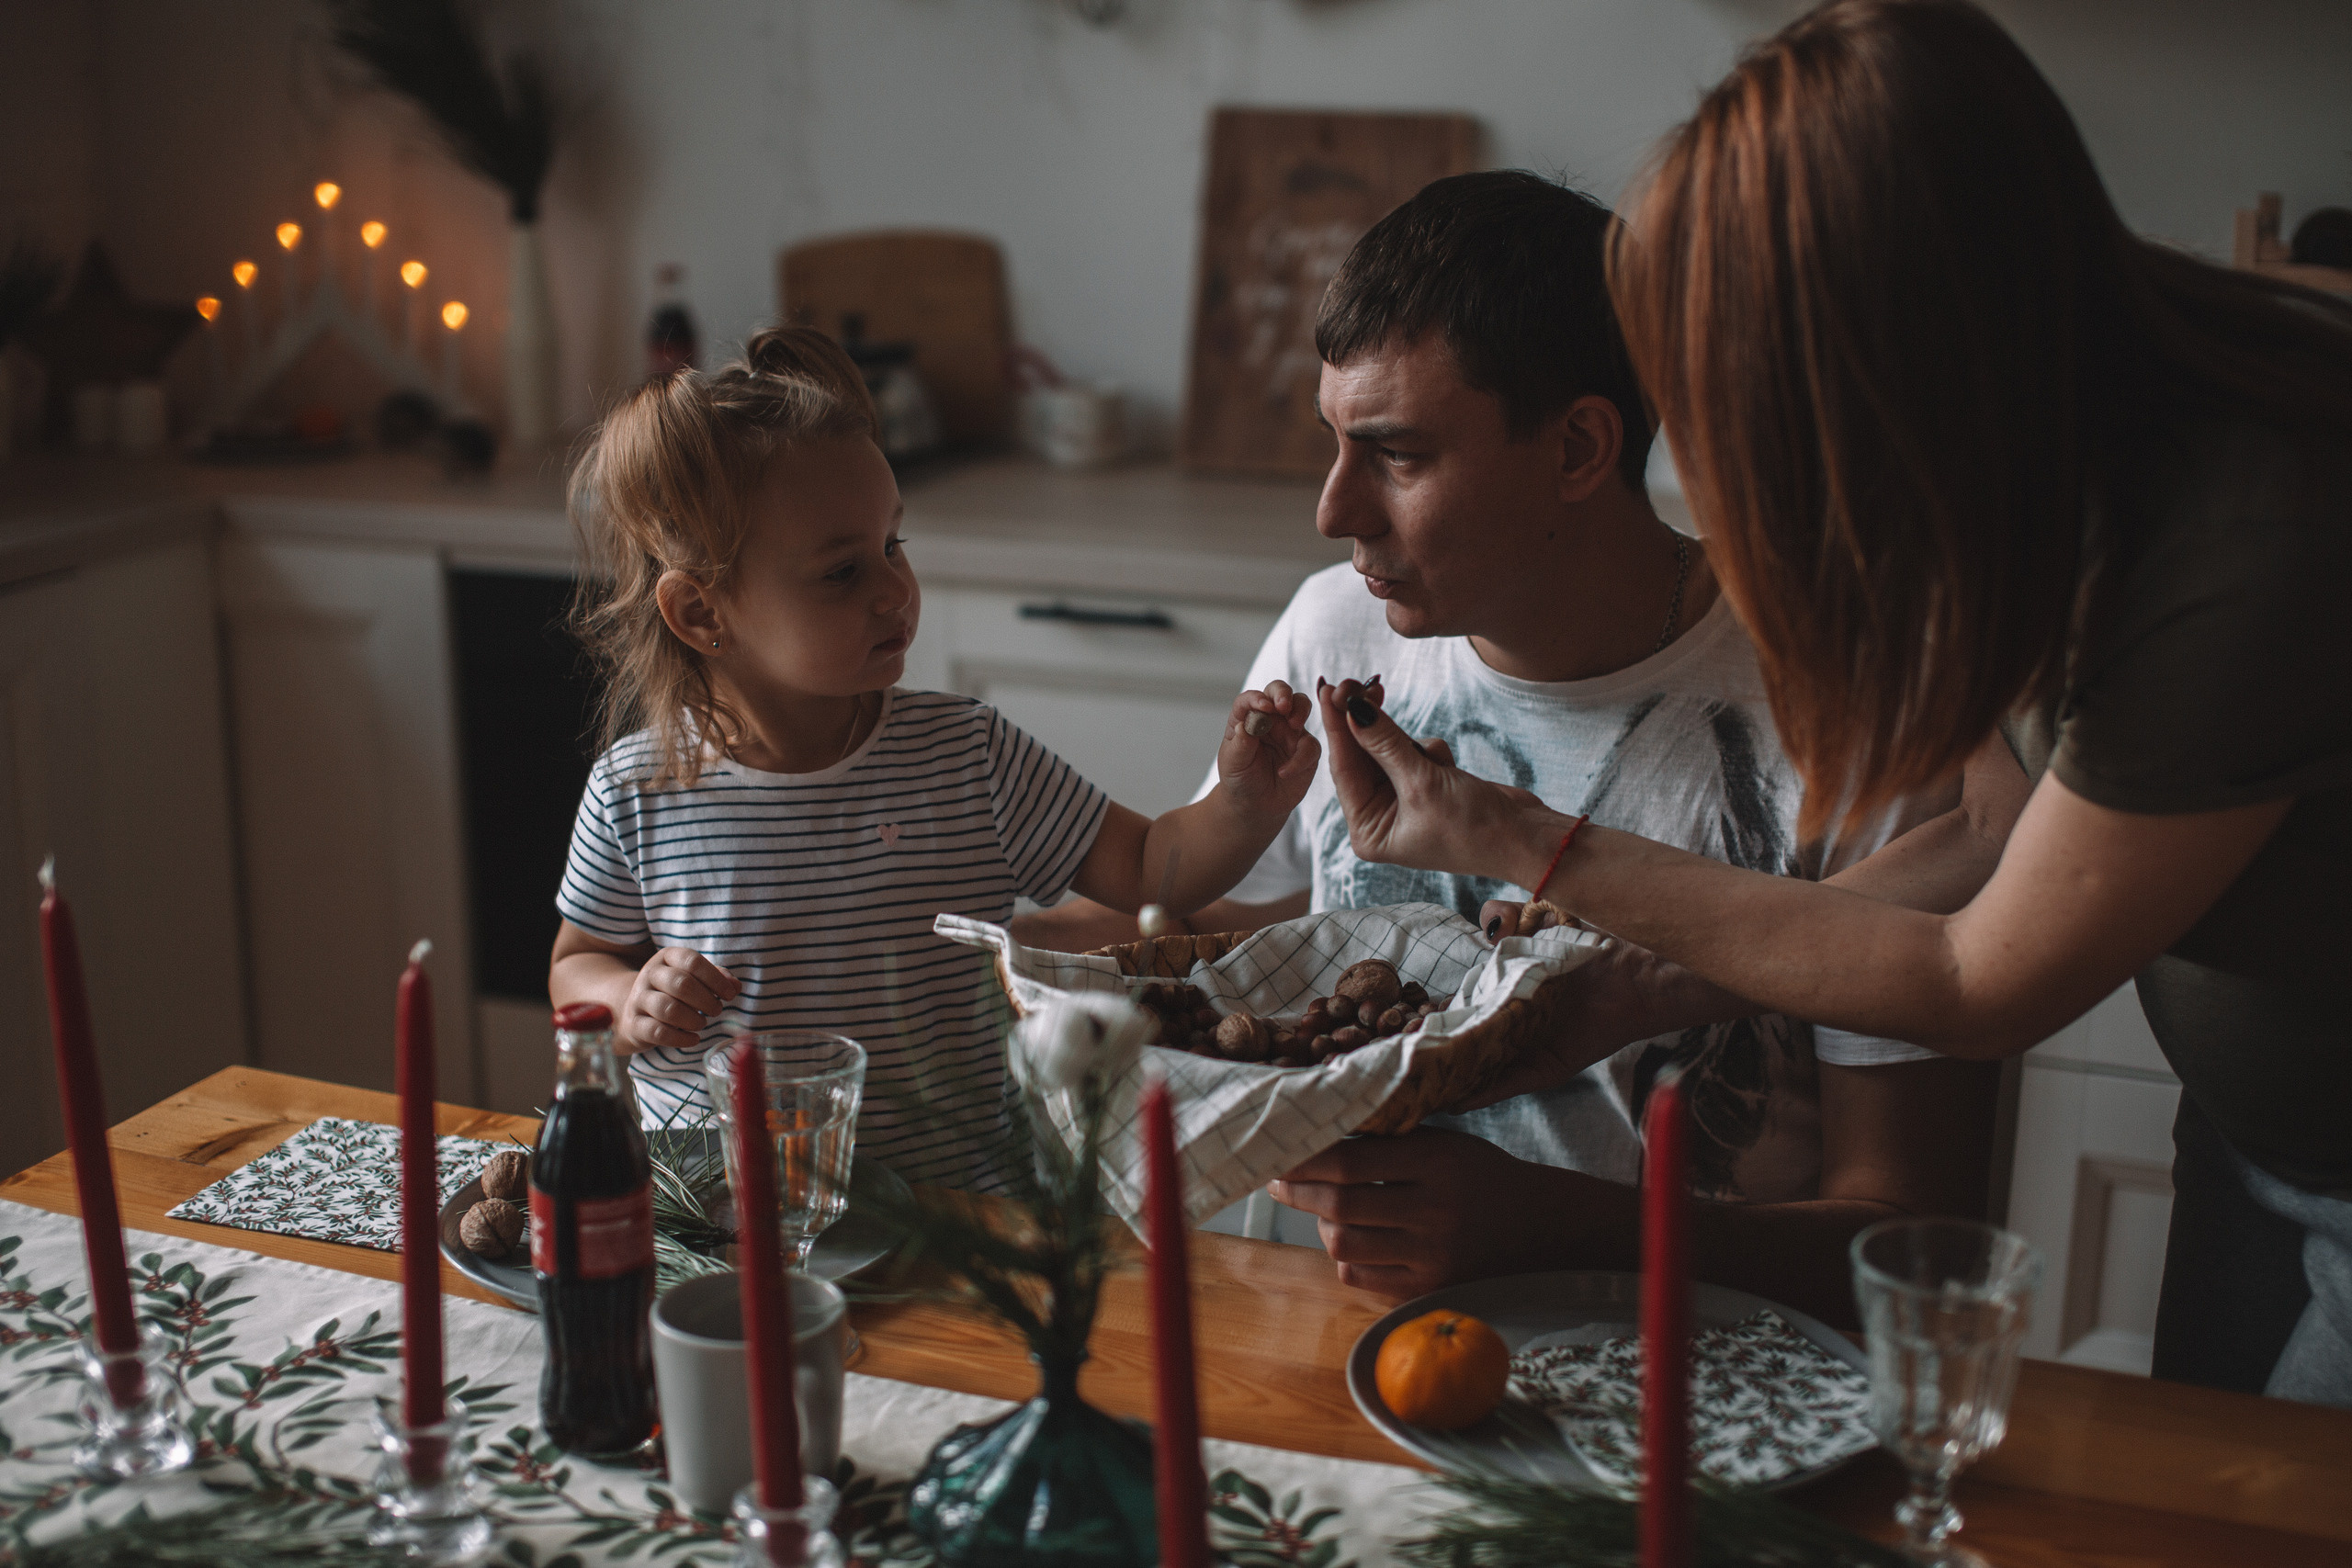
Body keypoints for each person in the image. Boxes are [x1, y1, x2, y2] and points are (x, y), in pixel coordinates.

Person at [1317, 0, 2352, 1406]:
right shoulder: (2039, 444)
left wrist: (1524, 838)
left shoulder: (2247, 543)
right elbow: (1992, 827)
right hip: (2262, 1134)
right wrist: (1637, 986)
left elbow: (1982, 977)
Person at [1019, 171, 2009, 1328]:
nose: (1334, 513)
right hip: (1335, 1357)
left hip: (1703, 1400)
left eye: (1396, 455)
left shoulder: (1846, 712)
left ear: (1580, 447)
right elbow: (1261, 956)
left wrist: (1554, 1228)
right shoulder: (1334, 631)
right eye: (1333, 445)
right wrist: (985, 954)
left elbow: (1913, 1248)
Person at [548, 327, 1318, 1190]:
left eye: (894, 545)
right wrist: (628, 1000)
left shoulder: (968, 756)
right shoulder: (636, 789)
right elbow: (576, 961)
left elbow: (1148, 868)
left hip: (953, 1224)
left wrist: (1246, 806)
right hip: (727, 1217)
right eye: (842, 572)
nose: (893, 588)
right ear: (700, 613)